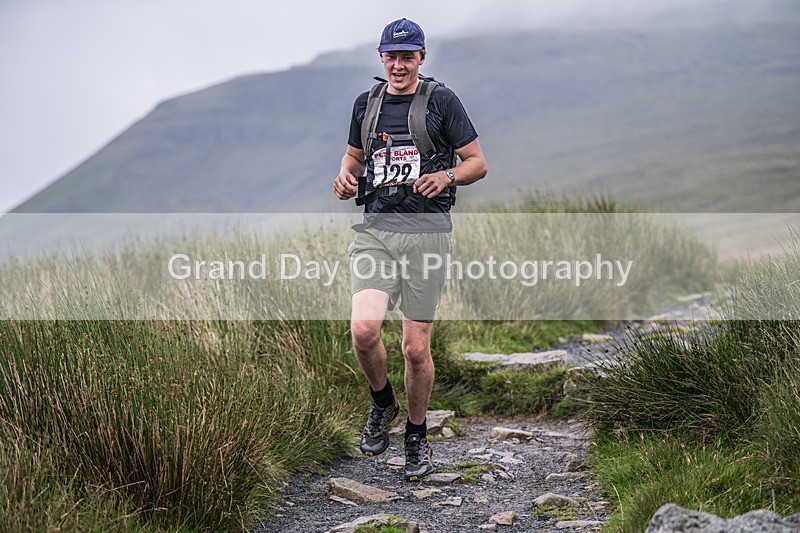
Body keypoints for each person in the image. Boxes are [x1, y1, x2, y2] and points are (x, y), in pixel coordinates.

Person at [333, 17, 487, 481]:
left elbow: (477, 162)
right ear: (381, 58)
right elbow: (354, 158)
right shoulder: (367, 104)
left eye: (407, 57)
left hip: (427, 236)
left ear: (421, 57)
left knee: (415, 350)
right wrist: (345, 178)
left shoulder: (442, 101)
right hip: (376, 233)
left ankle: (417, 437)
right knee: (364, 331)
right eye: (391, 57)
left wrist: (447, 176)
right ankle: (383, 403)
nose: (398, 65)